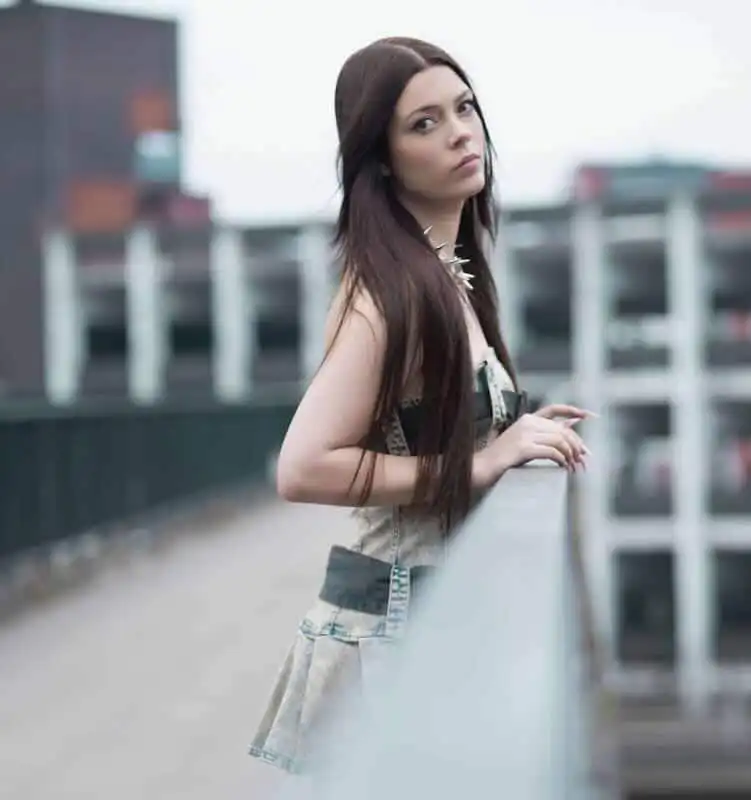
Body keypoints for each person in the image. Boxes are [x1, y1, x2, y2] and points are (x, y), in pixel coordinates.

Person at [248, 36, 592, 775]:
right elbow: (302, 468)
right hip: (388, 623)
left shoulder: (448, 277)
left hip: (419, 613)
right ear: (382, 159)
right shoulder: (392, 299)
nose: (461, 132)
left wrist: (512, 433)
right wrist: (478, 461)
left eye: (463, 108)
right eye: (423, 123)